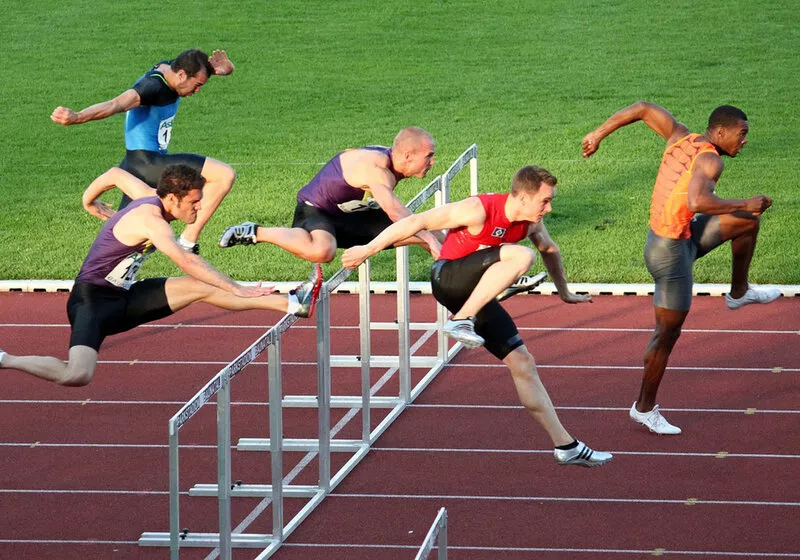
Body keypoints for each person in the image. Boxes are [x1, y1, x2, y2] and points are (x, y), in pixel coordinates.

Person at [342, 165, 612, 468]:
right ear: (522, 197)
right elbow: (416, 221)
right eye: (544, 201)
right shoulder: (478, 209)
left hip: (473, 295)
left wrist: (564, 292)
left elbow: (550, 249)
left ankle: (566, 445)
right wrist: (367, 249)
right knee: (523, 256)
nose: (548, 209)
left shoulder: (529, 224)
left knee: (523, 362)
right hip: (447, 278)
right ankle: (464, 318)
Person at [0, 165, 321, 387]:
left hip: (126, 297)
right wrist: (238, 288)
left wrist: (89, 201)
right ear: (172, 199)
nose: (198, 210)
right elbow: (184, 259)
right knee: (77, 375)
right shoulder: (152, 219)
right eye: (194, 203)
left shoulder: (149, 194)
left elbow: (113, 174)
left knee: (199, 287)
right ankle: (6, 359)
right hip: (92, 302)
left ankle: (293, 303)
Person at [582, 101, 780, 435]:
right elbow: (697, 202)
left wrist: (598, 133)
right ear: (719, 132)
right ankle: (644, 408)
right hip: (669, 255)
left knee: (747, 223)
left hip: (681, 238)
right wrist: (744, 201)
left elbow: (644, 108)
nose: (744, 141)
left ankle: (739, 292)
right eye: (741, 133)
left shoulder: (680, 136)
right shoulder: (711, 159)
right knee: (666, 335)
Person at [51, 49, 237, 254]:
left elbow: (198, 67)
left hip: (139, 164)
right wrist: (77, 116)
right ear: (182, 75)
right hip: (147, 164)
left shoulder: (173, 69)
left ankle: (102, 280)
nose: (197, 91)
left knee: (131, 244)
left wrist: (224, 70)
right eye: (197, 85)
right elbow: (115, 104)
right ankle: (187, 241)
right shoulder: (152, 87)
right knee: (223, 175)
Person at [219, 127, 442, 263]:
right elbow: (394, 211)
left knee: (436, 234)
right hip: (316, 210)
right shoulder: (377, 168)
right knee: (323, 251)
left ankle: (460, 279)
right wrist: (430, 241)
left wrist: (432, 239)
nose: (432, 162)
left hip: (350, 217)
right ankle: (254, 231)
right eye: (428, 156)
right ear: (408, 155)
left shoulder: (393, 159)